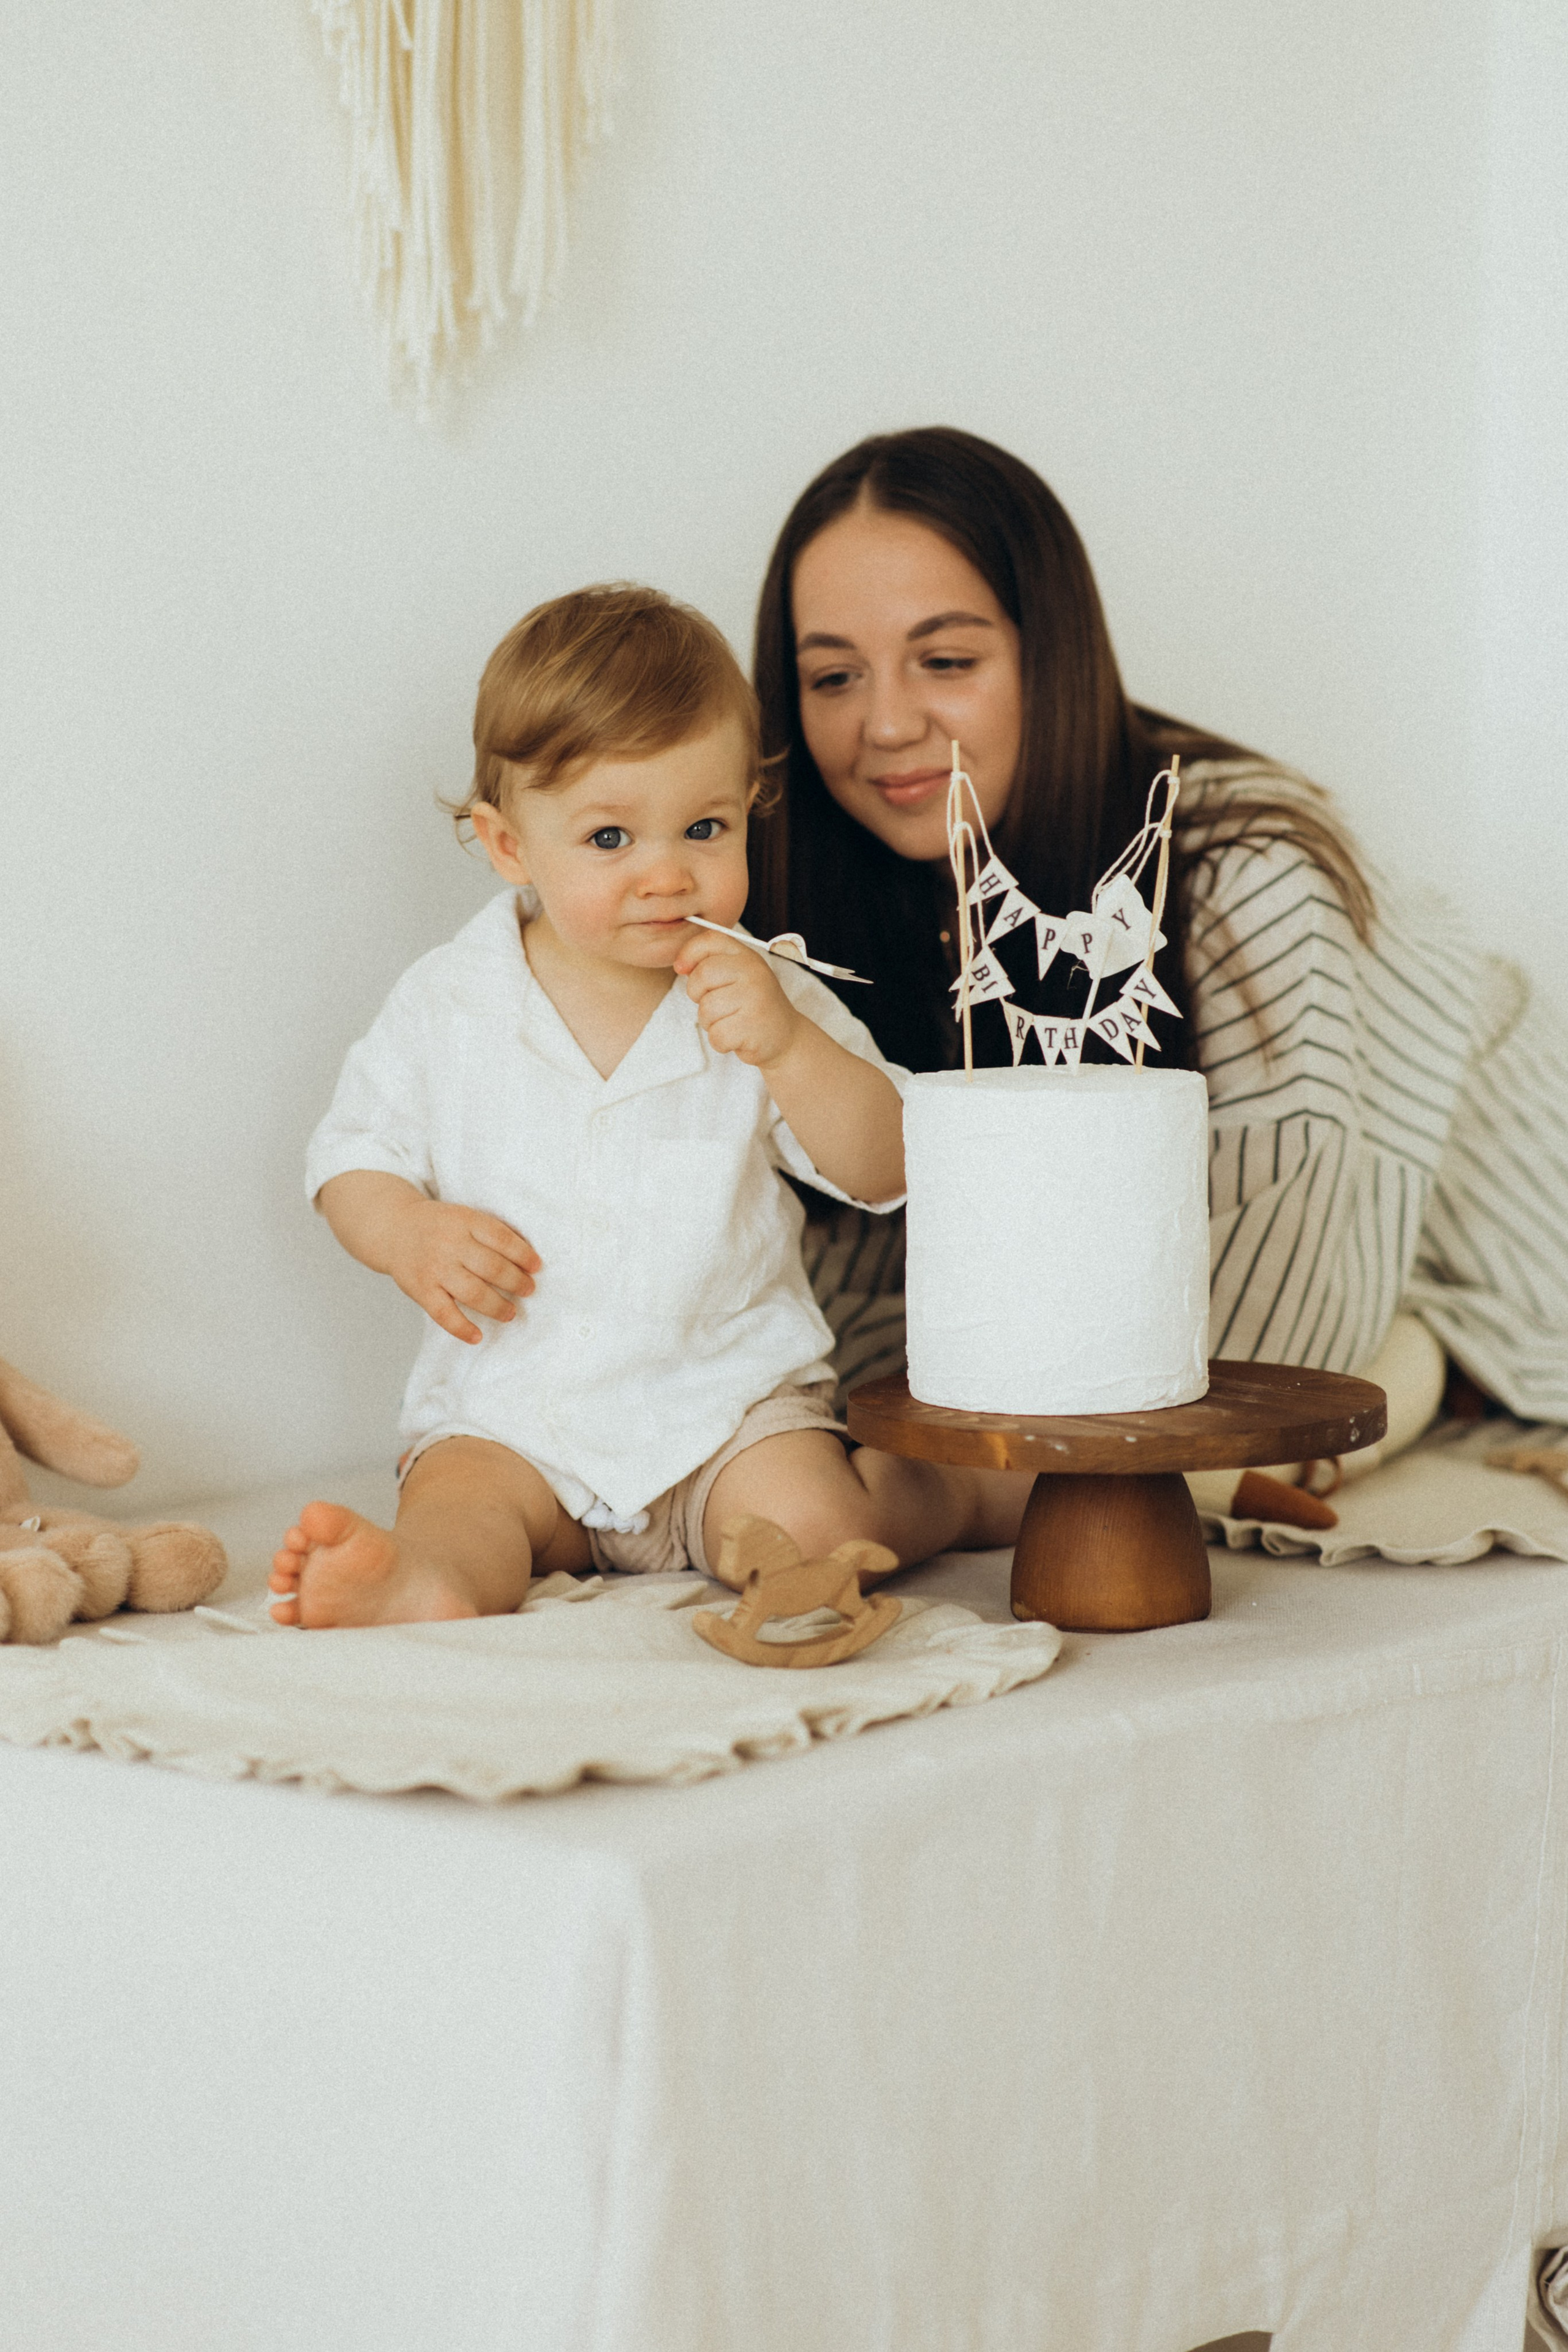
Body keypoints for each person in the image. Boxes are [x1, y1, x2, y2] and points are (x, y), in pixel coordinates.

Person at [744, 427, 1568, 1496]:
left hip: (1484, 1210)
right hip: (1229, 1263)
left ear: (1053, 651)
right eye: (833, 676)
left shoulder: (1249, 866)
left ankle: (1439, 1355)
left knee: (1202, 1452)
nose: (887, 723)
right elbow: (846, 1273)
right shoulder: (837, 887)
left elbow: (1295, 1312)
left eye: (947, 662)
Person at [271, 584, 1017, 1628]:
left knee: (815, 1523)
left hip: (726, 1413)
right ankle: (419, 1580)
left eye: (704, 828)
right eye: (611, 839)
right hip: (516, 1415)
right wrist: (406, 1228)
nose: (667, 873)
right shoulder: (452, 1001)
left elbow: (887, 1163)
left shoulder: (766, 992)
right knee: (464, 1508)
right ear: (507, 846)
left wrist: (792, 1048)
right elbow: (348, 1158)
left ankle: (944, 1491)